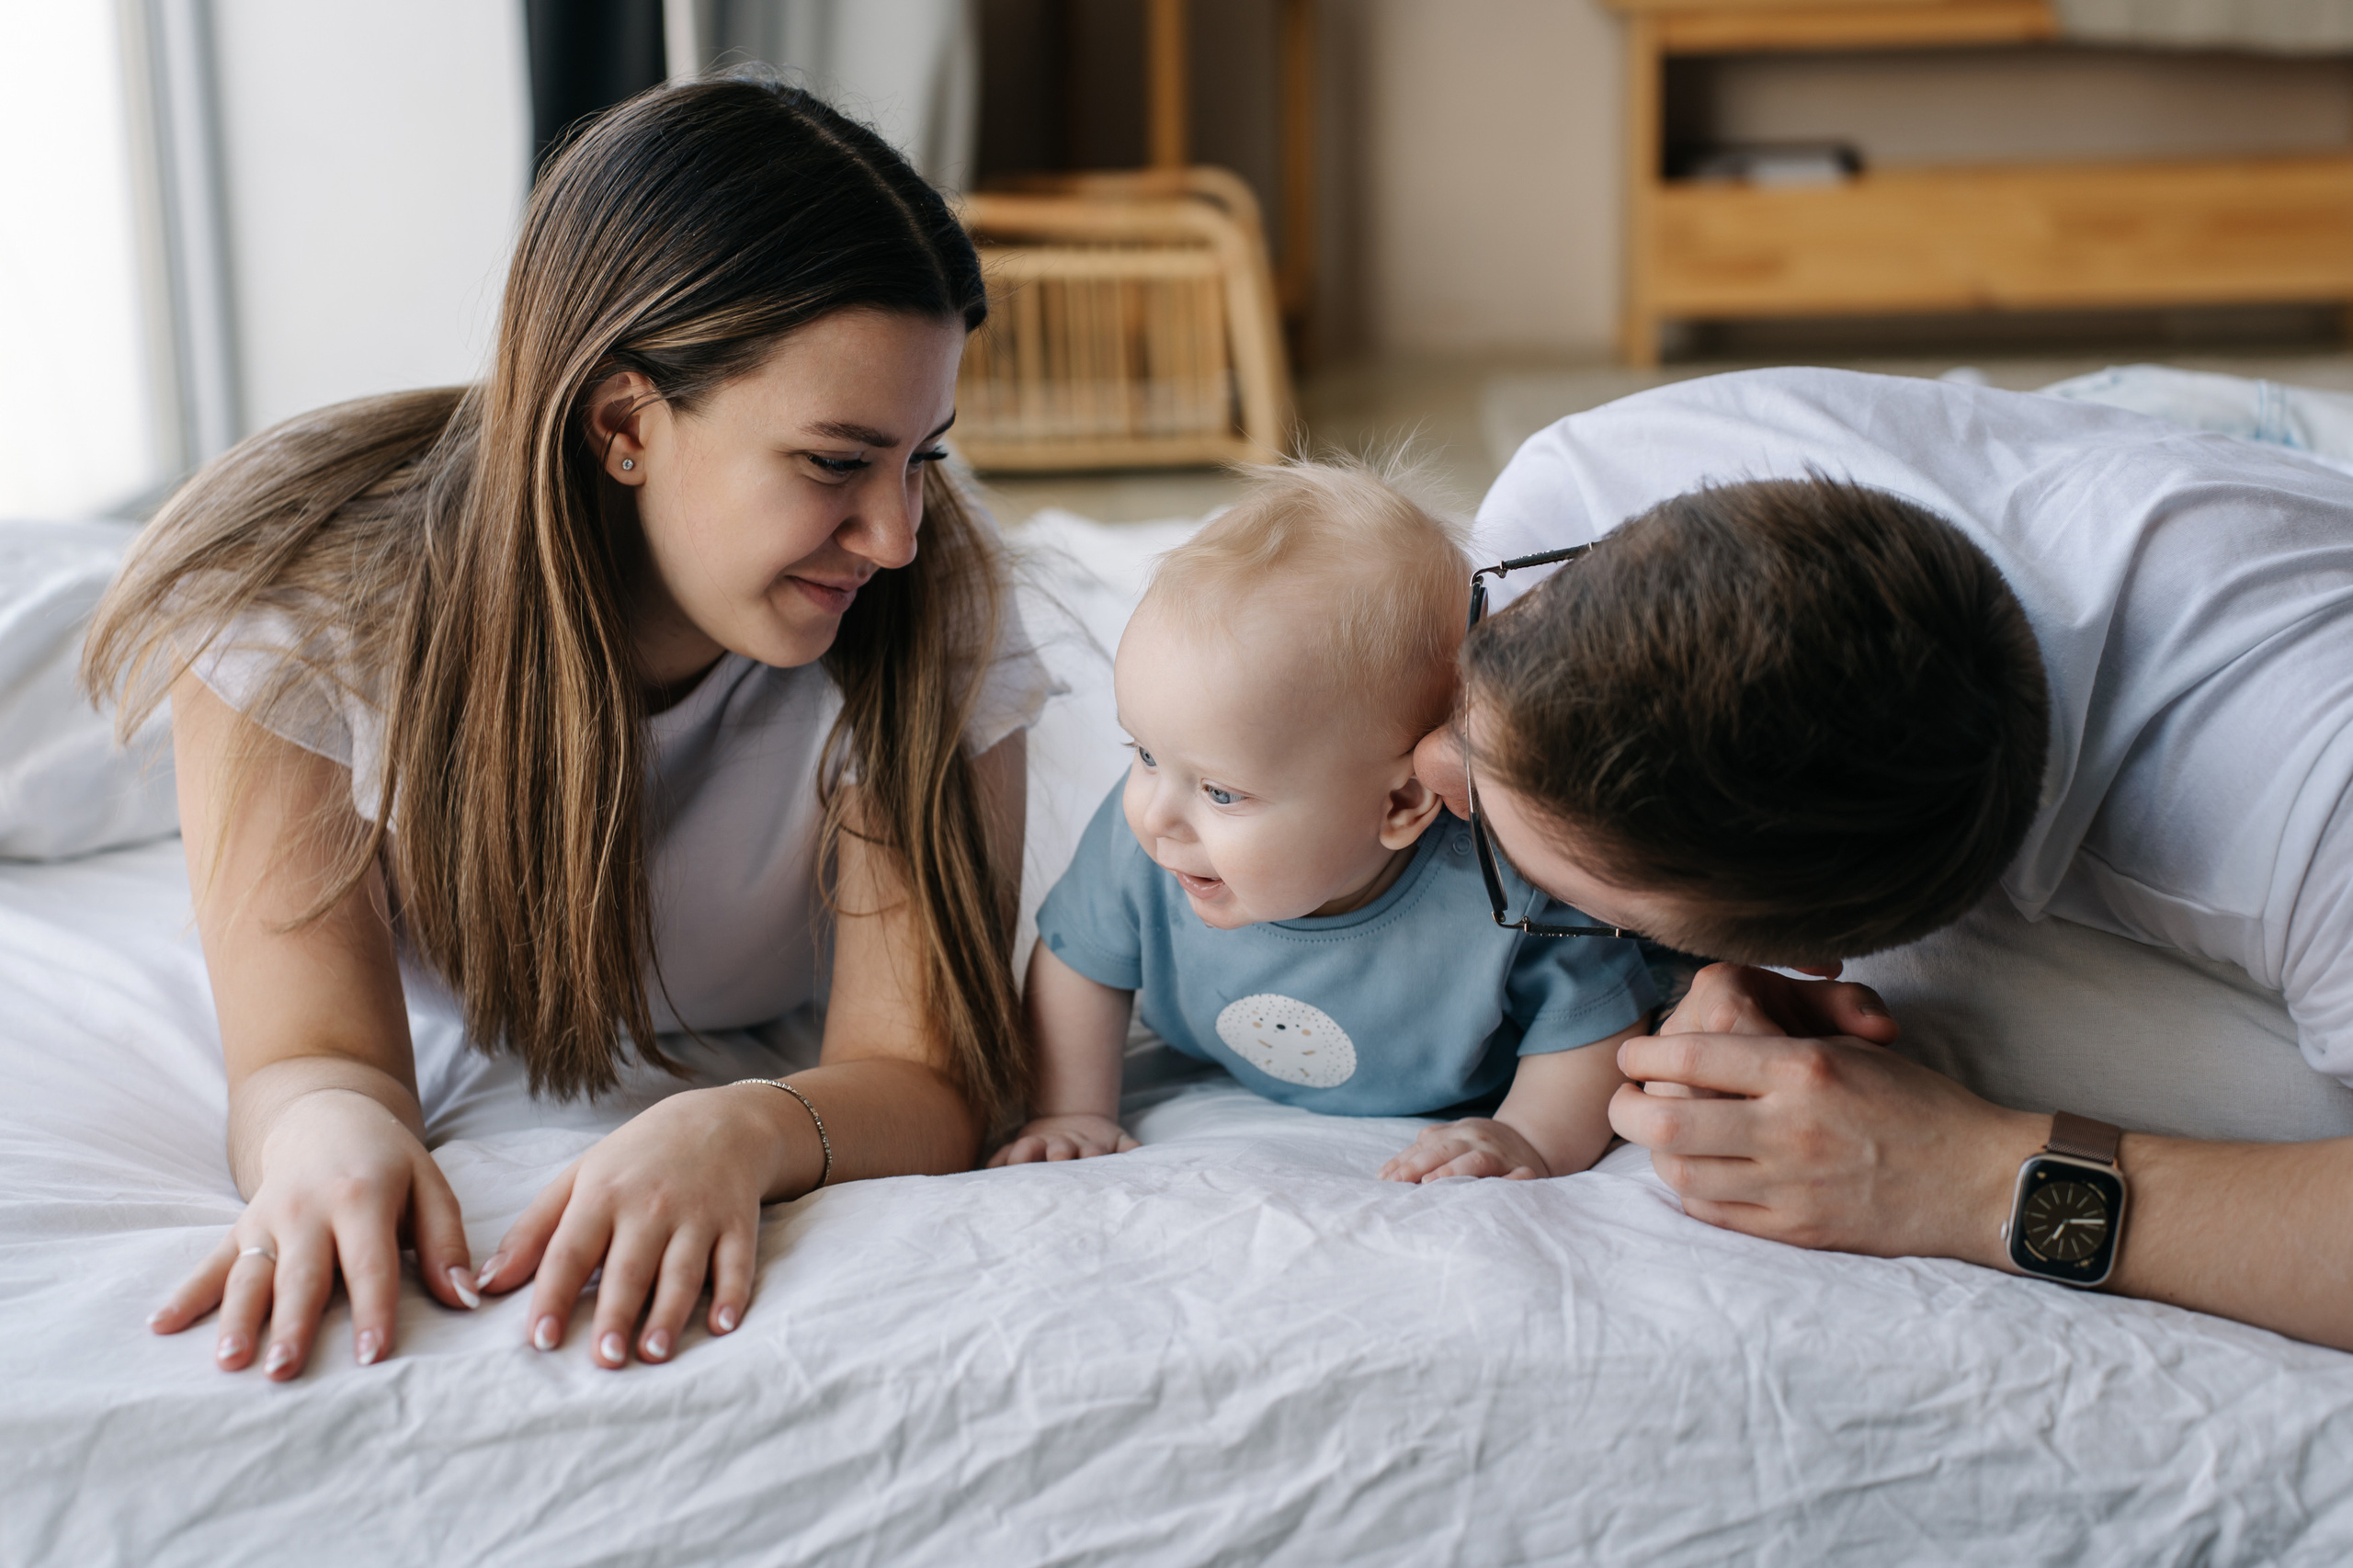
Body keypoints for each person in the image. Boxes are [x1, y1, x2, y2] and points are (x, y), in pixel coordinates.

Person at [82, 71, 1052, 1378]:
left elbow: (924, 1071)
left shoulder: (929, 606)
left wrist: (740, 1128)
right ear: (623, 423)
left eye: (923, 456)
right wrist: (327, 1132)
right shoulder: (295, 613)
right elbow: (308, 1054)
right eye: (834, 463)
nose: (896, 533)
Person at [1415, 365, 2353, 1349]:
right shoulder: (1575, 489)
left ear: (1831, 950)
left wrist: (1971, 1175)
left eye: (1517, 866)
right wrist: (1727, 969)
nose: (1426, 758)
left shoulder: (2307, 800)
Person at [993, 462, 1655, 1181]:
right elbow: (1079, 960)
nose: (1156, 817)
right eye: (1145, 753)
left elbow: (1594, 1019)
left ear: (1402, 805)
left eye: (1221, 793)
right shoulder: (1145, 847)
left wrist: (1529, 1136)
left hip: (1467, 1089)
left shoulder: (1507, 885)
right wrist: (1071, 1110)